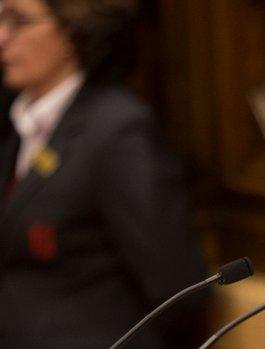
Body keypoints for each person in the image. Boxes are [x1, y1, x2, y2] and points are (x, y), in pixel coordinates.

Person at [0, 0, 207, 347]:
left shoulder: (118, 131)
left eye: (17, 20)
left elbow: (178, 289)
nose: (2, 37)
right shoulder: (17, 121)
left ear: (71, 30)